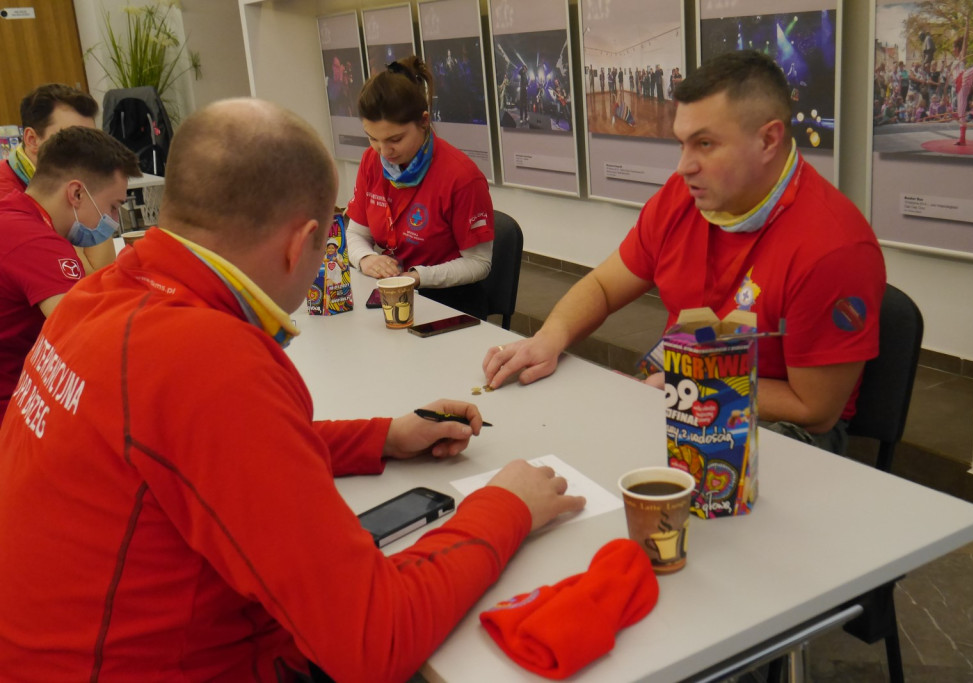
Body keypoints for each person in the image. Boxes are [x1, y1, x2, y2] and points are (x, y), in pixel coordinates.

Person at [0, 98, 584, 681]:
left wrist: (382, 437)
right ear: (301, 241)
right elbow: (372, 640)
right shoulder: (208, 359)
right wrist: (507, 506)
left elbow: (213, 453)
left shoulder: (101, 296)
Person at [482, 51, 885, 454]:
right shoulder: (684, 198)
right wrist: (551, 338)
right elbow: (605, 286)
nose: (683, 167)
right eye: (682, 144)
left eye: (705, 144)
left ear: (768, 140)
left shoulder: (834, 250)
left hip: (780, 422)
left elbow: (815, 410)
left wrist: (690, 386)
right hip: (680, 377)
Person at [0, 126, 140, 420]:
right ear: (76, 193)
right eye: (113, 207)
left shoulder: (12, 213)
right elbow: (91, 340)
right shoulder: (38, 243)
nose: (112, 222)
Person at [346, 55, 495, 318]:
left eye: (395, 139)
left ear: (424, 121)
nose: (384, 151)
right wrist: (366, 259)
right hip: (395, 295)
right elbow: (357, 233)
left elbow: (478, 263)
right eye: (373, 139)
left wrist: (417, 277)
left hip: (450, 304)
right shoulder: (372, 160)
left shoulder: (461, 177)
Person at [0, 83, 115, 275]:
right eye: (70, 138)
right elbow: (80, 276)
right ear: (32, 139)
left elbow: (105, 271)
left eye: (91, 139)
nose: (85, 152)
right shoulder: (6, 197)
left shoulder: (75, 180)